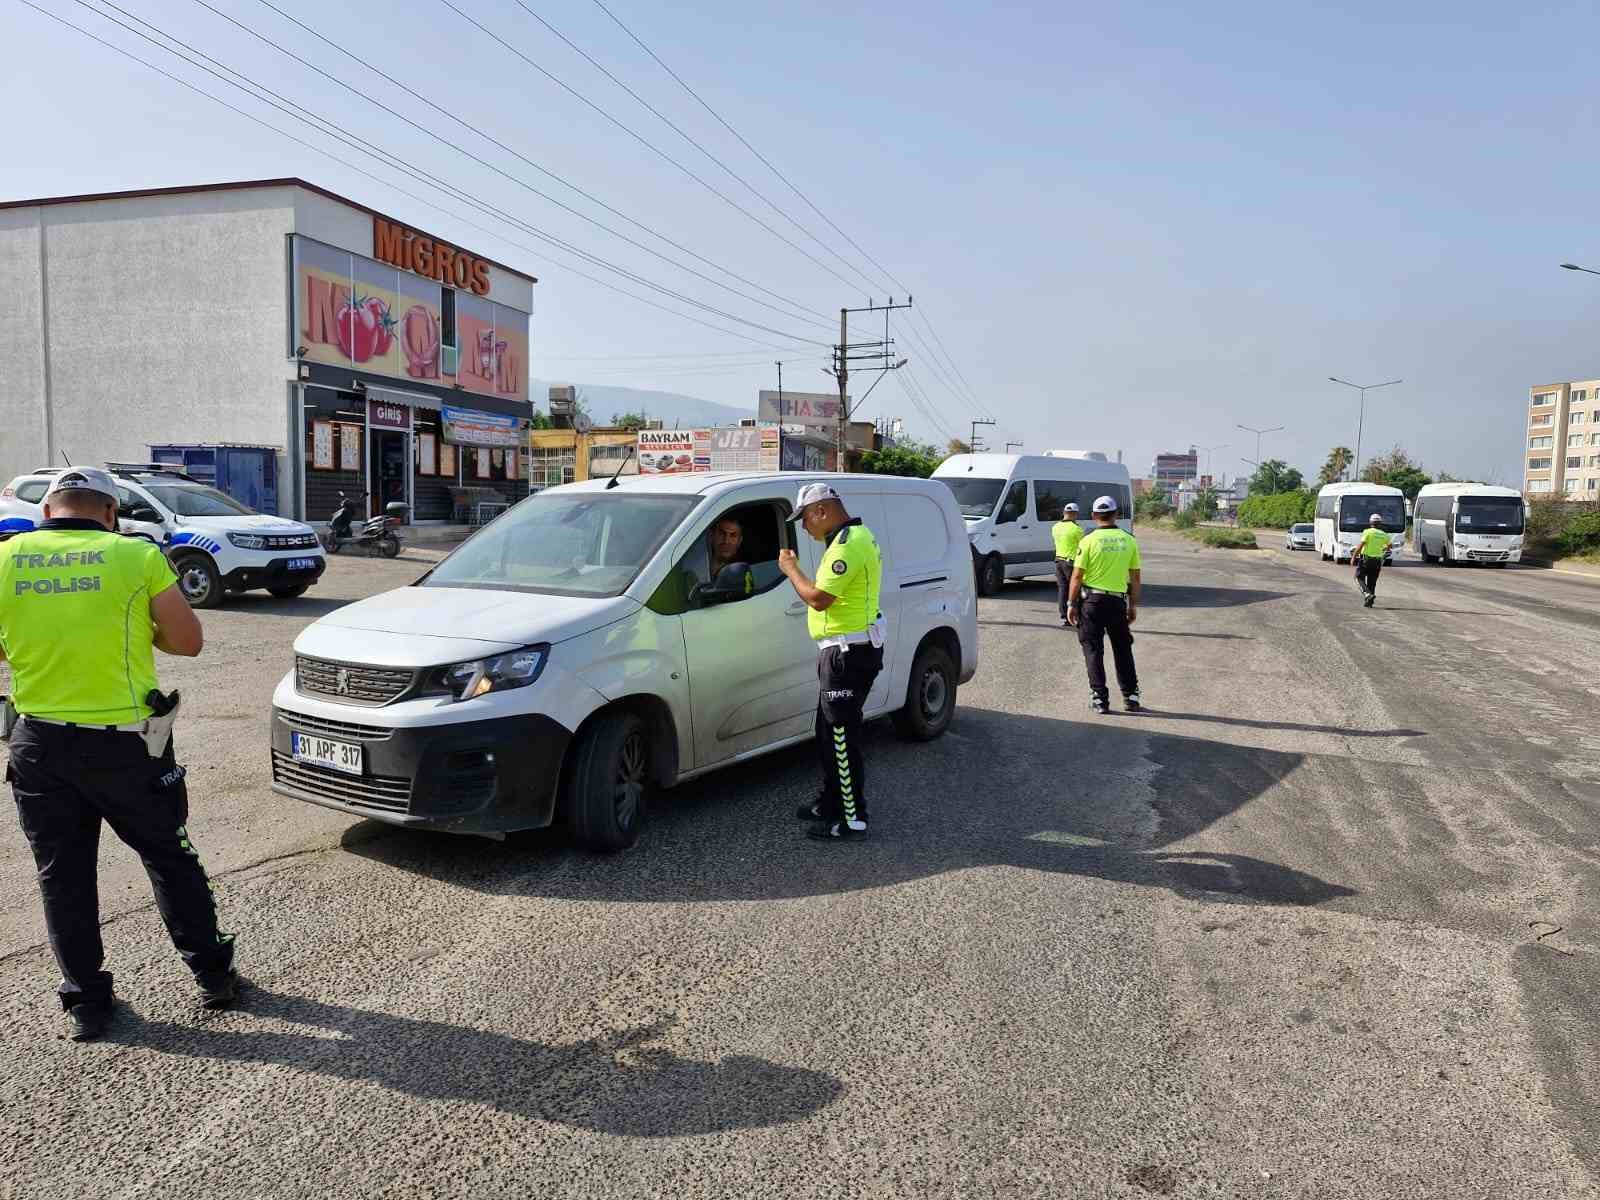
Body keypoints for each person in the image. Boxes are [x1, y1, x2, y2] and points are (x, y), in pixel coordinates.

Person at [0, 467, 239, 1042]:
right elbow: (188, 641)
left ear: (48, 510)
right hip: (128, 745)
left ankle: (86, 1003)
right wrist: (139, 630)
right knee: (168, 856)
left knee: (63, 875)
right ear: (109, 512)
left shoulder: (7, 557)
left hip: (39, 743)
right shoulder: (134, 556)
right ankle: (212, 975)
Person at [777, 483, 884, 843]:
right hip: (842, 651)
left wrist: (790, 568)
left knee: (841, 736)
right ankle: (831, 802)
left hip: (847, 654)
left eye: (805, 518)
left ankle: (853, 818)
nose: (804, 526)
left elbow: (819, 598)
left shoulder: (848, 543)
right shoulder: (846, 538)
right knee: (827, 733)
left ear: (821, 511)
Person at [1067, 495, 1142, 715]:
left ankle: (1100, 698)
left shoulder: (1088, 541)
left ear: (1093, 516)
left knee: (1093, 649)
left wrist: (1071, 604)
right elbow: (1135, 578)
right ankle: (1131, 696)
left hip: (1092, 602)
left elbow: (1077, 575)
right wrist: (1133, 605)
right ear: (1116, 514)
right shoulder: (1129, 540)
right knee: (1122, 648)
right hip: (1117, 602)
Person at [1052, 501, 1085, 626]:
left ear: (1064, 513)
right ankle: (1076, 616)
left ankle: (1065, 616)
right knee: (1075, 589)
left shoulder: (1055, 527)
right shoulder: (1077, 530)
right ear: (1075, 514)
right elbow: (1083, 546)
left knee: (1062, 589)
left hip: (1058, 561)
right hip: (1071, 563)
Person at [1353, 513, 1391, 608]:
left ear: (1370, 523)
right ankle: (1369, 602)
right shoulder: (1384, 534)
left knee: (1358, 578)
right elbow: (1390, 545)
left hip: (1366, 560)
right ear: (1380, 523)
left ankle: (1367, 594)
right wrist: (1383, 548)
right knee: (1372, 582)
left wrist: (1354, 556)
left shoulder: (1368, 532)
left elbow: (1361, 544)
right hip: (1377, 562)